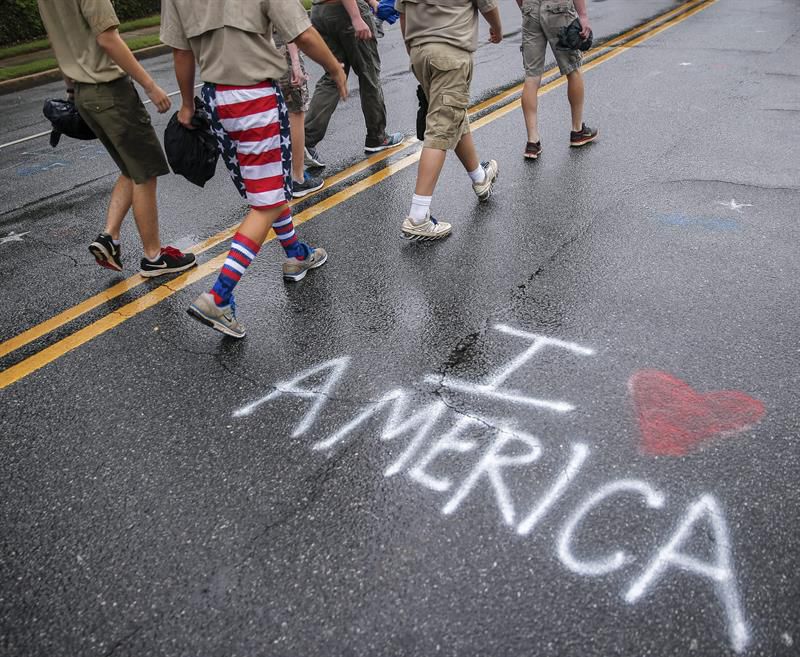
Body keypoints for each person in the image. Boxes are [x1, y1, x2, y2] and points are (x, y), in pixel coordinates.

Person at [161, 0, 348, 339]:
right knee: (265, 202)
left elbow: (181, 51)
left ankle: (295, 254)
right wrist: (334, 68)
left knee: (268, 188)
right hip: (255, 97)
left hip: (216, 99)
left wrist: (187, 105)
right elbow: (302, 33)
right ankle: (218, 296)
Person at [35, 0, 196, 277]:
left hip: (84, 93)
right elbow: (108, 39)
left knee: (129, 168)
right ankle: (154, 257)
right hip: (110, 92)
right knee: (145, 172)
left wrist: (71, 90)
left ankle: (110, 237)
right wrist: (150, 85)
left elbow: (58, 40)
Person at [396, 0, 503, 240]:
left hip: (419, 51)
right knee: (441, 128)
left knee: (453, 114)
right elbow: (487, 5)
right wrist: (497, 28)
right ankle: (418, 216)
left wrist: (413, 50)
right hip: (451, 52)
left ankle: (479, 177)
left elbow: (402, 13)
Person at [303, 0, 404, 169]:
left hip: (320, 10)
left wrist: (374, 4)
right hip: (346, 10)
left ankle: (306, 139)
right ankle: (377, 137)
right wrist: (356, 16)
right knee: (368, 73)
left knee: (334, 75)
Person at [518, 0, 598, 160]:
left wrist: (525, 7)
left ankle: (532, 142)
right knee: (573, 69)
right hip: (558, 8)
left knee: (531, 77)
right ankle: (577, 131)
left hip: (530, 7)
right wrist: (582, 15)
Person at [274, 32, 325, 198]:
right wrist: (296, 63)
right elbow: (288, 26)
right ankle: (297, 178)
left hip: (257, 54)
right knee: (295, 112)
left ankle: (273, 177)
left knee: (271, 113)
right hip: (281, 51)